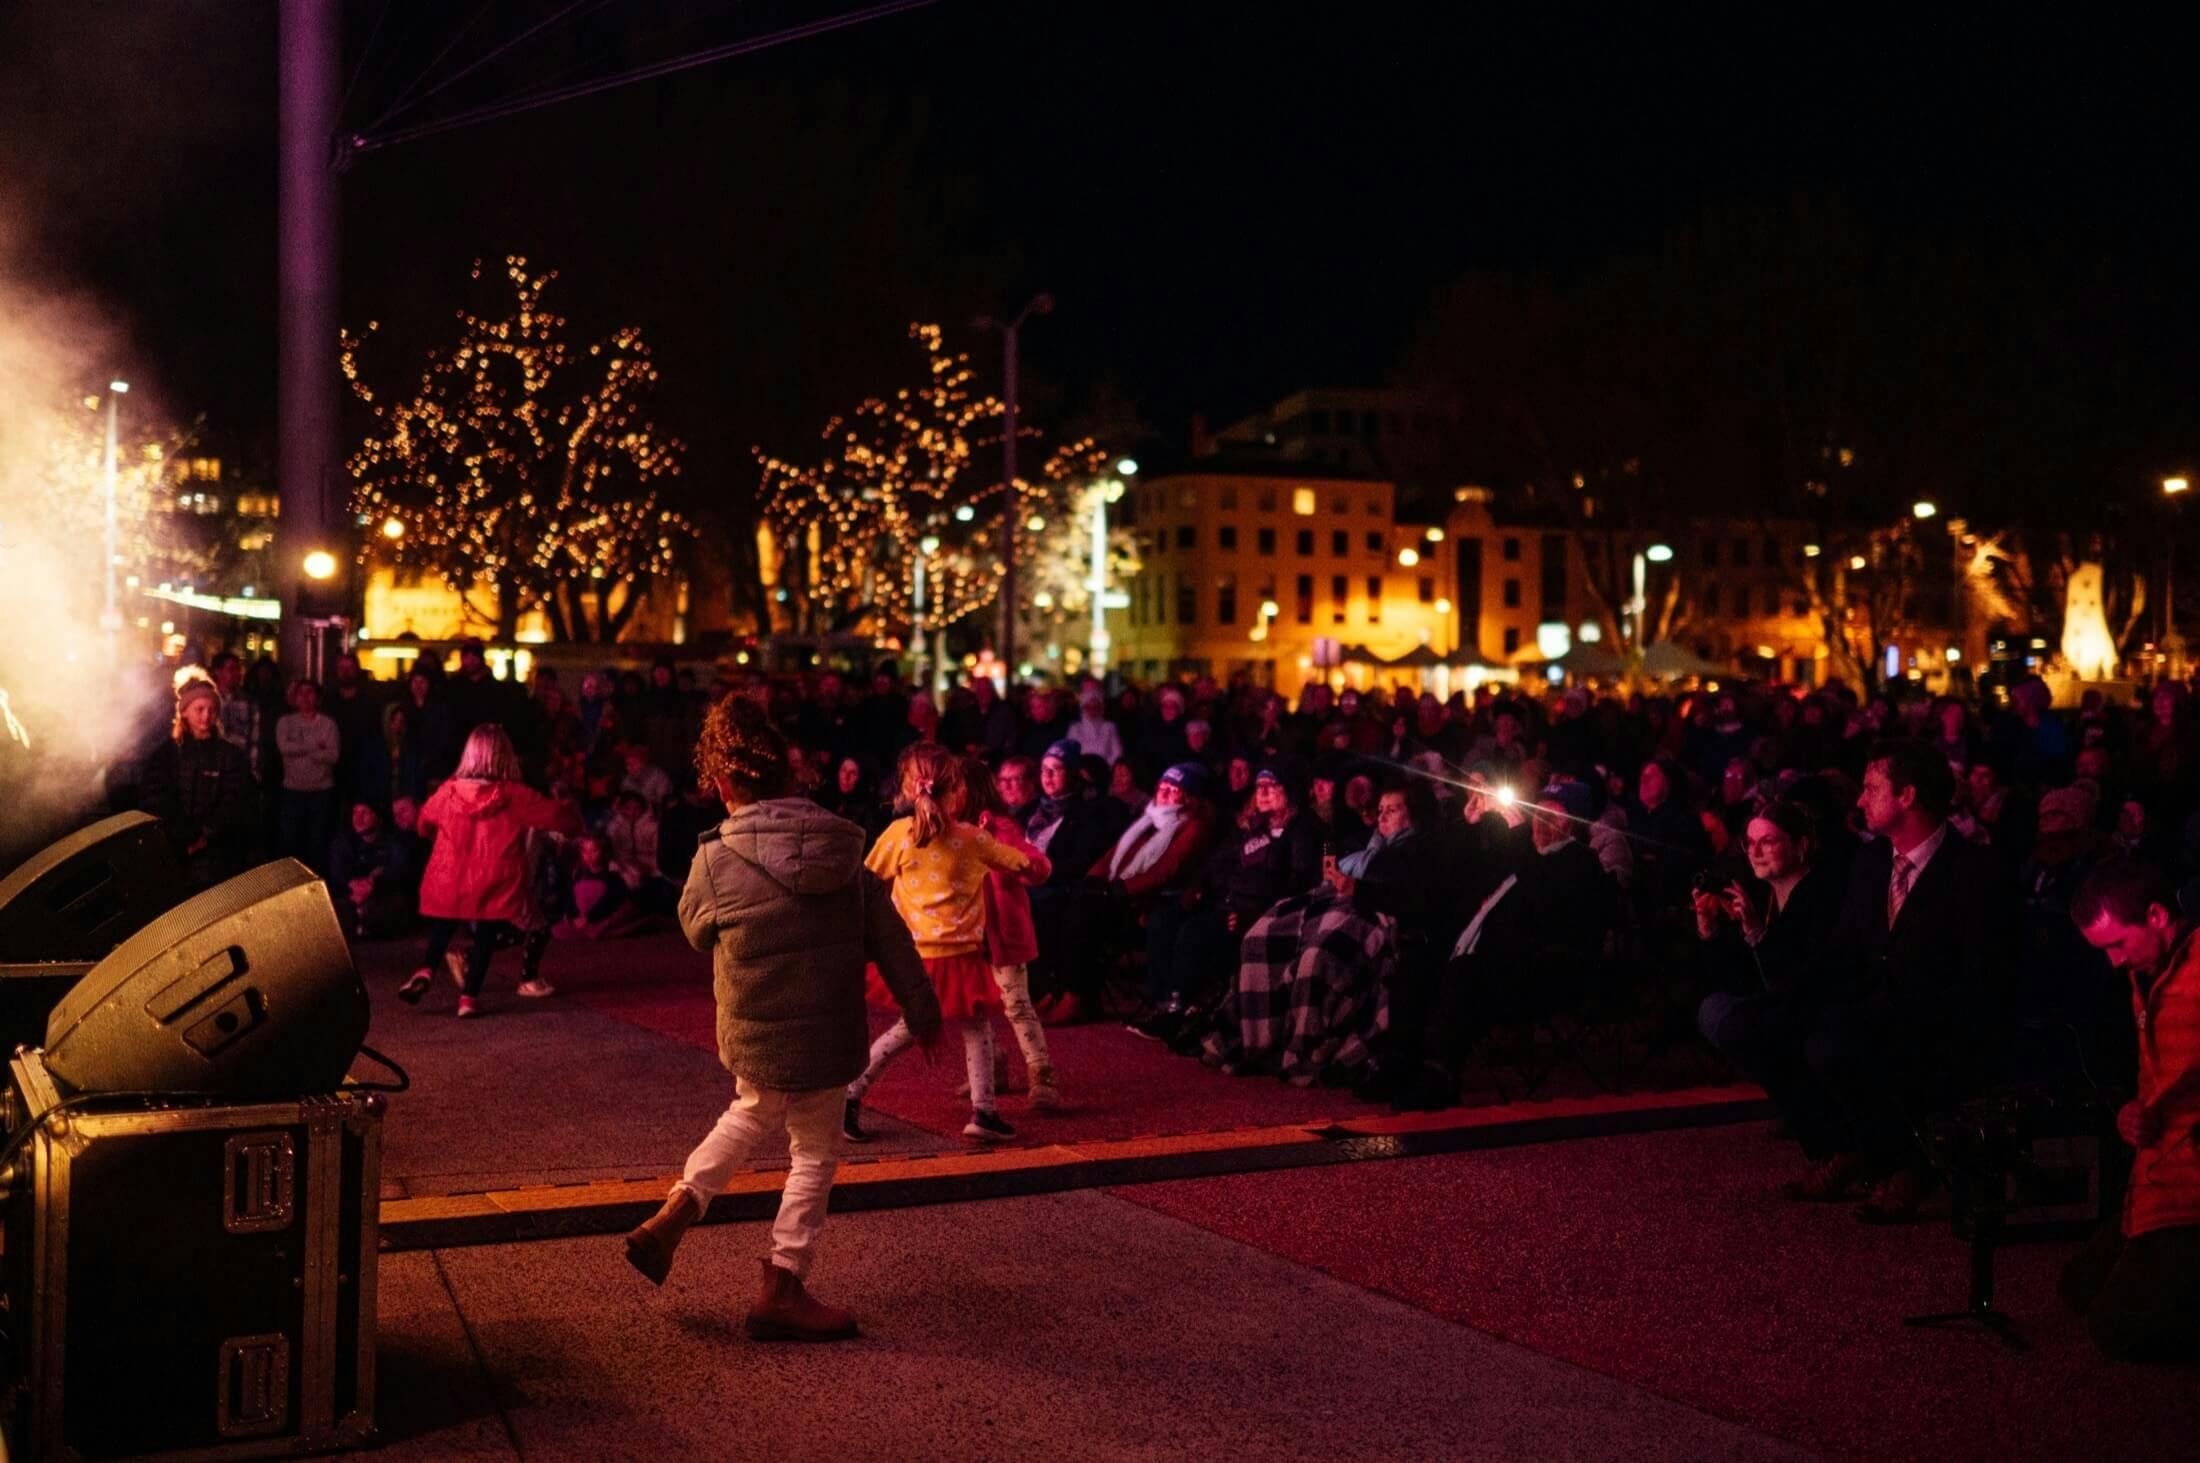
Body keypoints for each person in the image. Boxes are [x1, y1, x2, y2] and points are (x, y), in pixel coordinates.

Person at [622, 696, 942, 1341]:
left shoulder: (716, 857)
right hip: (827, 1030)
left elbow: (693, 932)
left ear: (722, 786)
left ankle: (682, 1204)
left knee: (748, 1112)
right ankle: (783, 1283)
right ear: (786, 777)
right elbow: (889, 935)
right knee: (815, 1154)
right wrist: (923, 1010)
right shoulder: (843, 845)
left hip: (757, 1027)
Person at [1784, 738, 2015, 1219]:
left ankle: (1909, 1163)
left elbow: (1980, 978)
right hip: (1876, 1007)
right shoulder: (1872, 863)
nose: (1860, 799)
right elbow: (1845, 951)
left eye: (1871, 788)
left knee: (1843, 1045)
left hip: (1940, 1021)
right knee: (1766, 1025)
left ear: (1907, 796)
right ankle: (1850, 1147)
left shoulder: (1974, 872)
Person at [844, 743, 1043, 1143]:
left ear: (906, 790)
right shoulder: (974, 838)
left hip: (915, 957)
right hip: (962, 957)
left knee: (909, 1028)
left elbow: (864, 879)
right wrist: (1036, 863)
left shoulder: (898, 836)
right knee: (977, 1029)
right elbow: (1024, 865)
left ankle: (849, 1096)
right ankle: (984, 1112)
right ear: (956, 790)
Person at [2059, 859, 2200, 1361]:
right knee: (2078, 1287)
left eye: (2118, 944)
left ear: (2158, 916)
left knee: (2115, 1328)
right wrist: (2129, 1110)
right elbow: (2154, 1075)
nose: (2114, 962)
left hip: (2189, 1177)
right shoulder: (2154, 971)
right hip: (2159, 1167)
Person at [400, 725, 582, 1017]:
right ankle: (468, 999)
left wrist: (435, 835)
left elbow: (424, 822)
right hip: (495, 874)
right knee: (485, 934)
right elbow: (555, 816)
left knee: (444, 925)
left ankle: (425, 969)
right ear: (503, 756)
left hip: (450, 874)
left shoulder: (448, 791)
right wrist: (574, 819)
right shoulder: (513, 795)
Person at [1134, 763, 1321, 1043]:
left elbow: (1298, 883)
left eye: (1272, 786)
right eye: (1259, 787)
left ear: (1290, 792)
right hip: (1227, 901)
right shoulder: (1249, 827)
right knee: (1164, 919)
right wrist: (1197, 886)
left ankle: (1180, 1006)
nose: (1264, 793)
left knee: (1194, 933)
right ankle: (1160, 1000)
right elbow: (1217, 864)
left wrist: (1258, 911)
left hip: (1261, 912)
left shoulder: (1302, 831)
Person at [1692, 800, 1843, 1140]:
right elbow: (1735, 979)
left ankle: (1820, 1124)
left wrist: (1758, 934)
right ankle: (1801, 1110)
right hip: (1777, 1005)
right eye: (1750, 842)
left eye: (1768, 841)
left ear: (1801, 846)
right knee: (1715, 1008)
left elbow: (1798, 979)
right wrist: (1710, 930)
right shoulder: (1763, 895)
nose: (1755, 851)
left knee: (1733, 1020)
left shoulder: (1820, 895)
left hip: (1816, 1008)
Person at [963, 757, 1062, 1109]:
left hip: (1001, 933)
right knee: (975, 1007)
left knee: (1017, 1004)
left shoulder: (999, 827)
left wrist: (1029, 867)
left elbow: (1028, 858)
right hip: (970, 934)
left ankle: (1041, 1073)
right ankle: (994, 1068)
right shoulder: (952, 830)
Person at [139, 669, 254, 889]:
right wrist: (184, 835)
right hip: (176, 851)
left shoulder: (229, 755)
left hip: (218, 855)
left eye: (211, 710)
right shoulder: (167, 754)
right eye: (199, 709)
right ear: (184, 712)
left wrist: (206, 835)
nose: (206, 716)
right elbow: (155, 797)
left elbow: (236, 800)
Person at [275, 679, 342, 872]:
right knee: (290, 842)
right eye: (300, 693)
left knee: (317, 842)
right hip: (292, 790)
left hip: (321, 791)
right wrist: (316, 745)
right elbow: (284, 748)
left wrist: (300, 749)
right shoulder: (285, 722)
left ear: (318, 697)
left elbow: (333, 755)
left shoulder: (328, 724)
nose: (305, 697)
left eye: (310, 692)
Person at [328, 800, 413, 938]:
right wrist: (354, 884)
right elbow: (337, 873)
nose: (358, 818)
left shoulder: (393, 841)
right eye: (355, 812)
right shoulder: (344, 841)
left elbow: (399, 870)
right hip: (352, 896)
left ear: (378, 818)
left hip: (380, 896)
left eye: (364, 813)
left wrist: (373, 882)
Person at [552, 833, 650, 940]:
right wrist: (575, 916)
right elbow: (570, 897)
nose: (589, 855)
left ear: (604, 852)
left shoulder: (612, 874)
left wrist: (589, 917)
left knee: (619, 916)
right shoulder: (578, 873)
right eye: (584, 851)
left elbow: (609, 901)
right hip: (581, 916)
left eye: (594, 851)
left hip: (600, 915)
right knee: (558, 929)